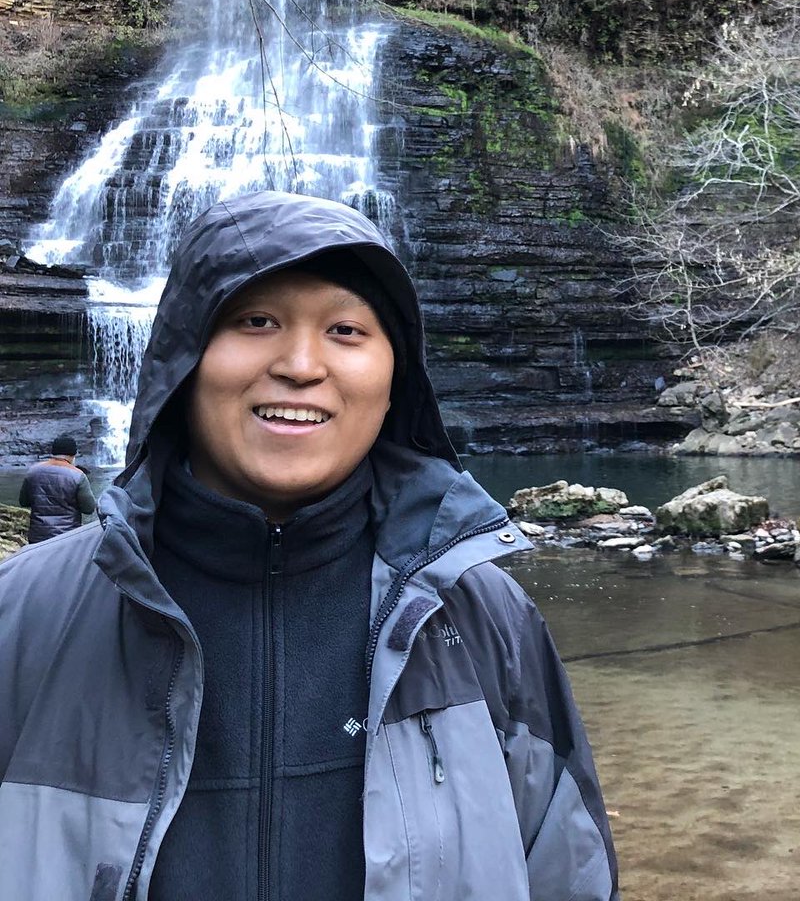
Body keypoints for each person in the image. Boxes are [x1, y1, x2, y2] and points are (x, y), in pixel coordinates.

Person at [0, 190, 619, 901]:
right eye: (256, 321)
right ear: (182, 360)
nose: (300, 364)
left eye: (346, 330)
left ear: (397, 378)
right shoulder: (21, 615)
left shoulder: (485, 619)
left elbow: (569, 872)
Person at [19, 432, 96, 543]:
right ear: (73, 455)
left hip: (38, 538)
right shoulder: (78, 476)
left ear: (53, 453)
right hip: (67, 538)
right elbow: (89, 509)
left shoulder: (33, 471)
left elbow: (23, 502)